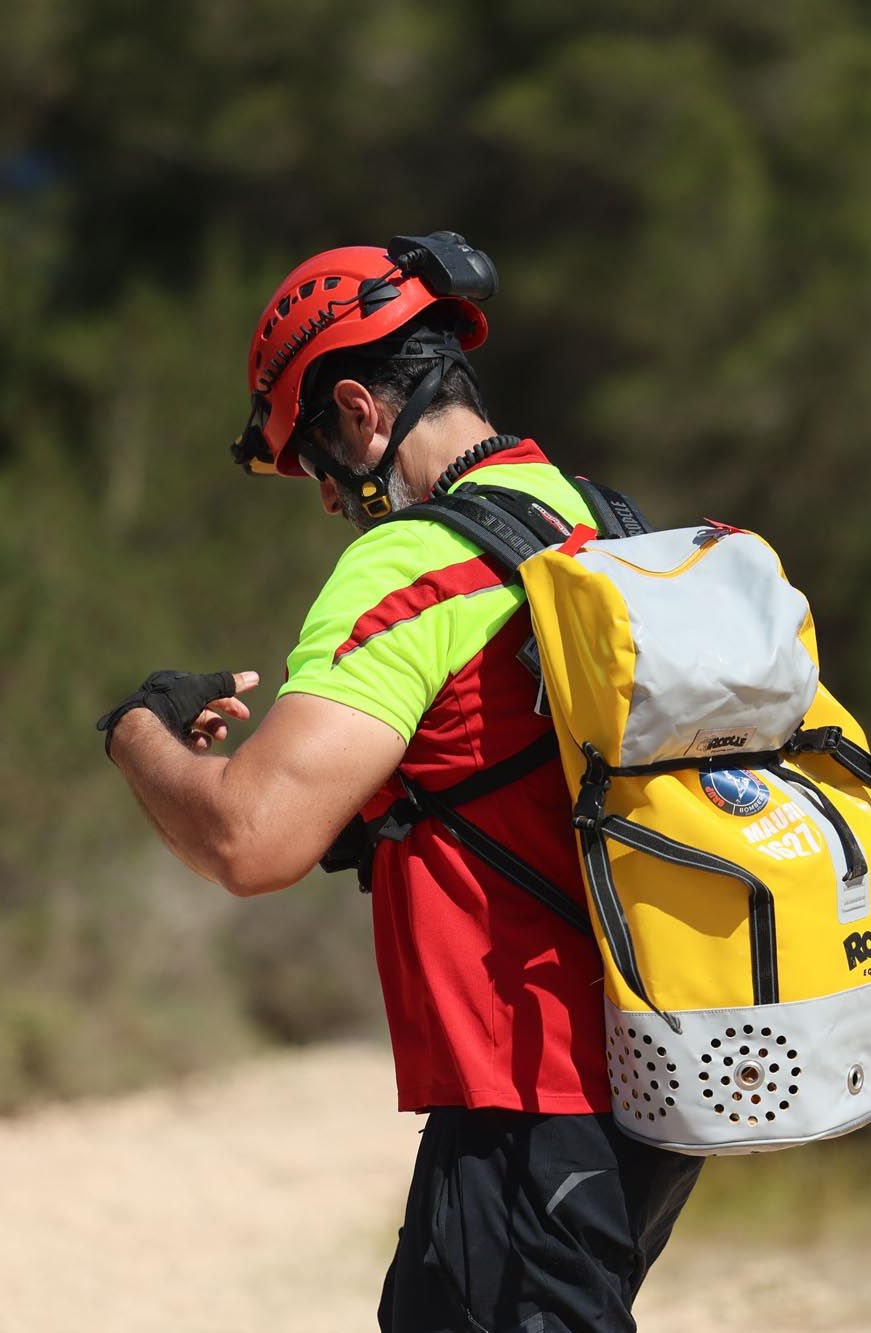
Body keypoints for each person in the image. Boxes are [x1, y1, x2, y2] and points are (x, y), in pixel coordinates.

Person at [96, 234, 702, 1332]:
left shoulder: (413, 561)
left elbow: (247, 841)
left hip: (529, 1090)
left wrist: (138, 730)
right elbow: (507, 772)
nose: (332, 501)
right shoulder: (594, 521)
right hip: (643, 1087)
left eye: (320, 464)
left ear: (360, 413)